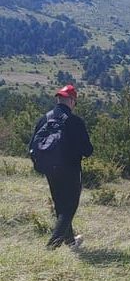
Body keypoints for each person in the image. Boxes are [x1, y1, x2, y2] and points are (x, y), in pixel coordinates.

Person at [29, 85, 93, 250]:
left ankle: (71, 242)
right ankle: (52, 246)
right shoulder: (75, 121)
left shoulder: (45, 119)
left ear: (58, 100)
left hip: (50, 169)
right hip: (70, 169)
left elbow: (31, 145)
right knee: (69, 207)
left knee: (60, 205)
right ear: (72, 101)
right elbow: (88, 150)